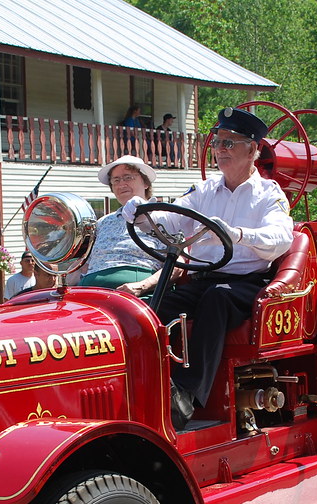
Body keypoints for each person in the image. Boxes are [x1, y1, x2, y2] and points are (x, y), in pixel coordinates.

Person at [120, 107, 295, 429]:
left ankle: (186, 397)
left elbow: (281, 238)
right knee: (151, 309)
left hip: (246, 283)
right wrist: (142, 214)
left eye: (229, 143)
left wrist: (238, 234)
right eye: (216, 142)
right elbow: (172, 218)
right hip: (202, 279)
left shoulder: (269, 195)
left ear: (252, 150)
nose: (219, 150)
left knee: (217, 297)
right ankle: (137, 383)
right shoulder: (204, 190)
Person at [80, 156, 164, 289]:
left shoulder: (164, 217)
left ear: (146, 183)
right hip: (90, 290)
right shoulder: (103, 222)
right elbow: (84, 265)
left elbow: (178, 264)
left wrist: (142, 286)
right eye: (116, 180)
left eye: (128, 177)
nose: (121, 184)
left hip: (137, 293)